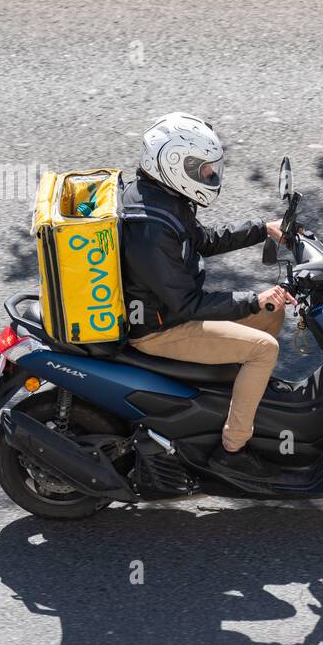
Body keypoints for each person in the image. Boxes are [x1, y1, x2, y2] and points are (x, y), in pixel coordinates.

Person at [120, 112, 295, 479]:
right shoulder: (150, 229)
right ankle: (232, 450)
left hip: (174, 311)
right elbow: (186, 305)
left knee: (273, 315)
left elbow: (201, 240)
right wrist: (253, 299)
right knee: (264, 349)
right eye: (202, 170)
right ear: (171, 163)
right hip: (161, 329)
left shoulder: (161, 197)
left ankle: (226, 402)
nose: (210, 177)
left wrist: (263, 230)